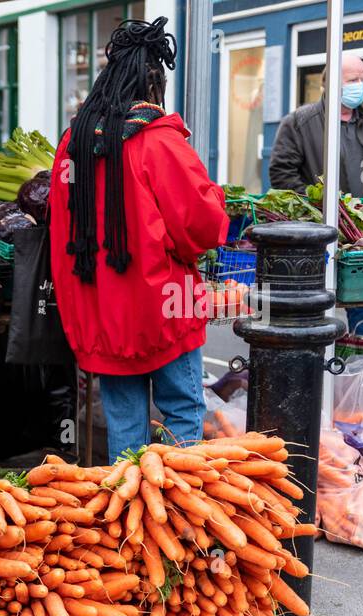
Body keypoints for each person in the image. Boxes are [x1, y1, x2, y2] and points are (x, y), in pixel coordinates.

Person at [48, 17, 228, 463]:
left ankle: (131, 520)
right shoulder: (157, 142)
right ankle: (179, 521)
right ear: (154, 81)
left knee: (124, 432)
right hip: (164, 307)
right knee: (181, 417)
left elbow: (58, 228)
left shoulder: (72, 144)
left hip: (102, 311)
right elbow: (202, 226)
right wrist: (217, 198)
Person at [270, 53, 363, 336]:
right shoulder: (300, 121)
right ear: (331, 83)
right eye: (353, 80)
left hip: (361, 234)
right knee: (316, 302)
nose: (360, 85)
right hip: (317, 234)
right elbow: (282, 175)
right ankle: (317, 357)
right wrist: (319, 207)